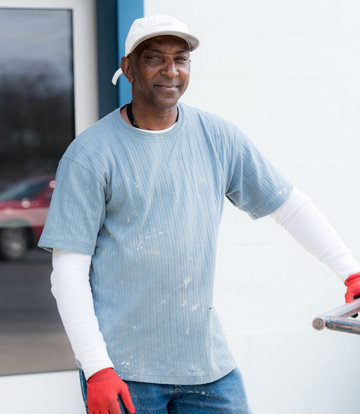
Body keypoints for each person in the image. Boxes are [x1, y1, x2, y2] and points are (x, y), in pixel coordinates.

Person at [38, 14, 360, 414]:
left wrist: (350, 271)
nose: (170, 70)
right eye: (154, 58)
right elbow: (67, 273)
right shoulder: (90, 155)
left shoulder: (217, 137)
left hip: (207, 367)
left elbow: (289, 206)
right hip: (124, 370)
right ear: (128, 69)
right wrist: (97, 367)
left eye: (181, 58)